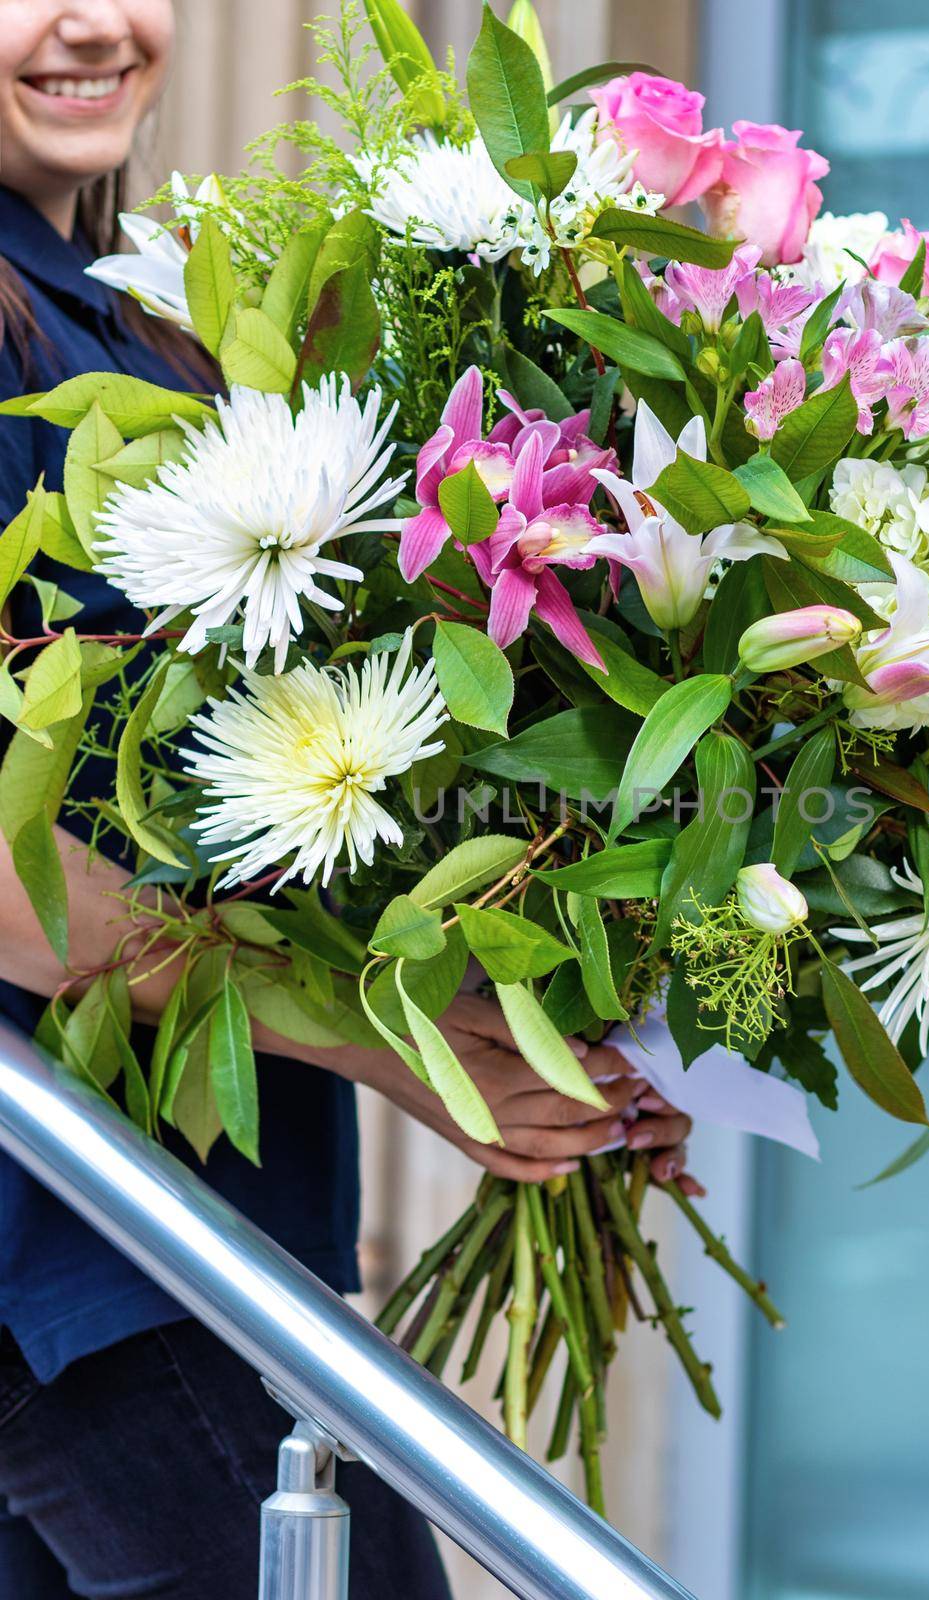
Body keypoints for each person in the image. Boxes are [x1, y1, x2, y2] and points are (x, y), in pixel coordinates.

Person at [0, 5, 695, 1595]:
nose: (92, 20)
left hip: (180, 1240)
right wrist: (405, 1053)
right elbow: (12, 879)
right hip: (99, 1251)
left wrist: (545, 1031)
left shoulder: (147, 326)